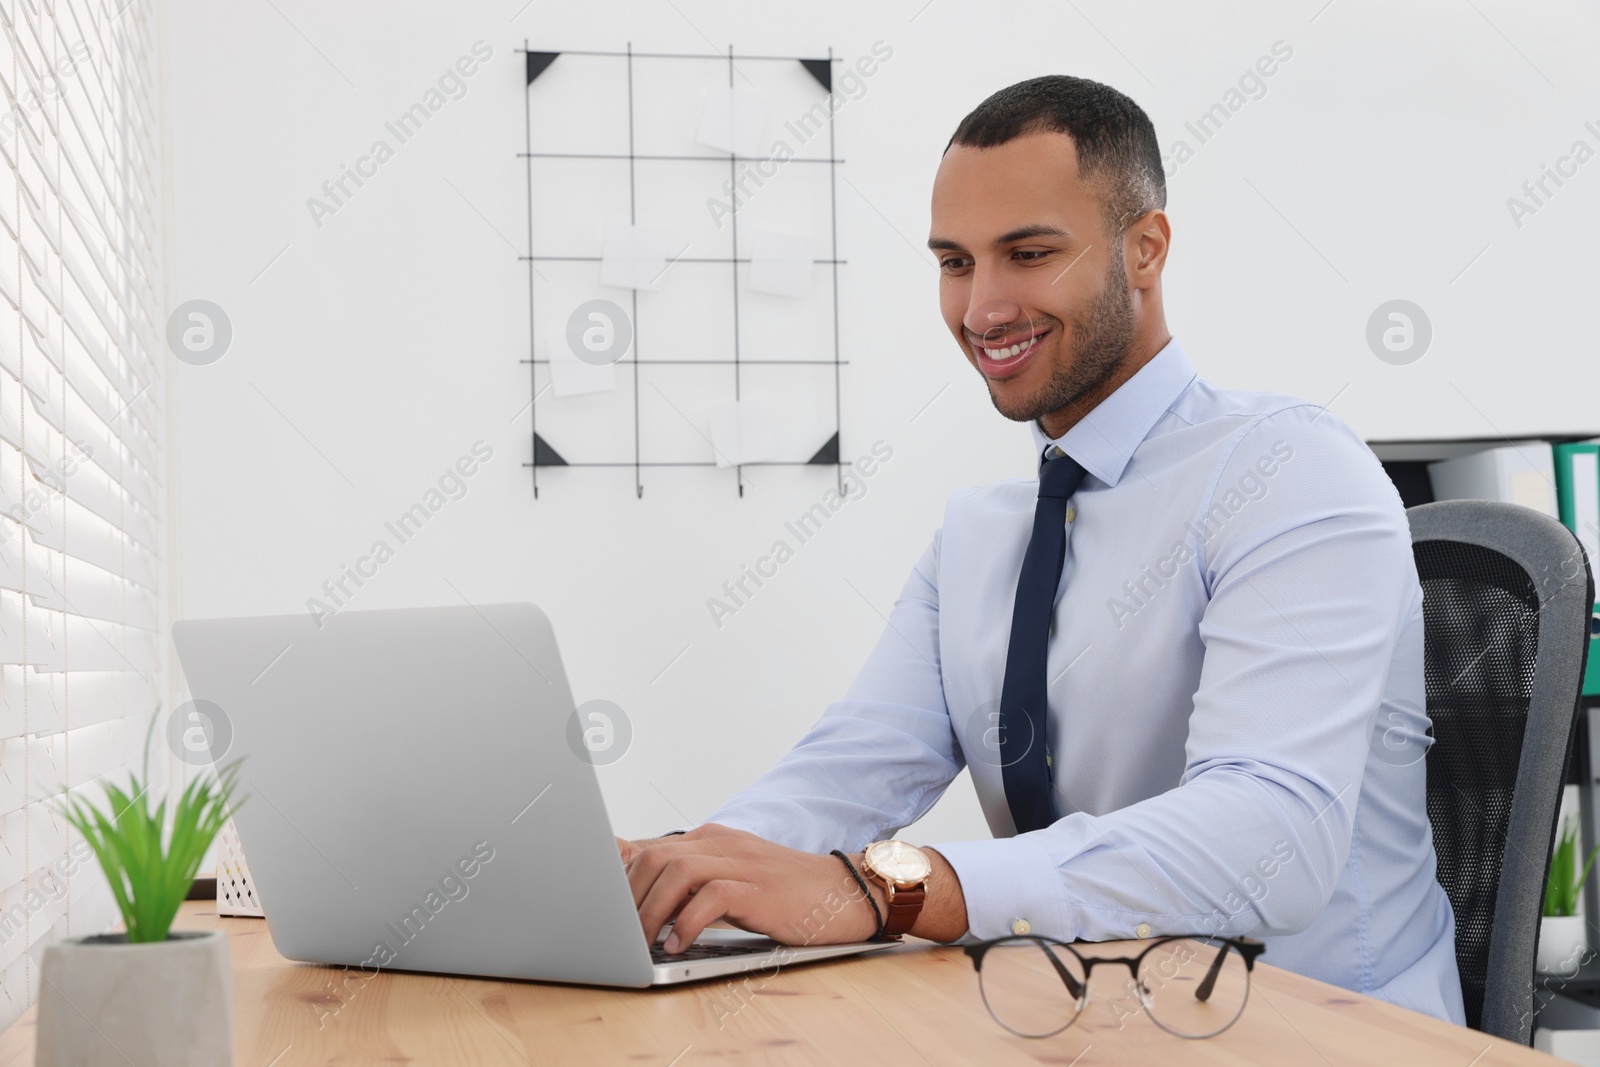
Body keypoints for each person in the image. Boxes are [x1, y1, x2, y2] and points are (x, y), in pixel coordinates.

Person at [621, 73, 1464, 1025]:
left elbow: (1269, 834)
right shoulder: (982, 533)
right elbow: (857, 762)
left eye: (1028, 253)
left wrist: (889, 886)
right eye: (954, 262)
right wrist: (685, 873)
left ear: (1145, 248)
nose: (982, 308)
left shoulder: (1291, 471)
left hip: (1315, 1031)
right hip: (1075, 1021)